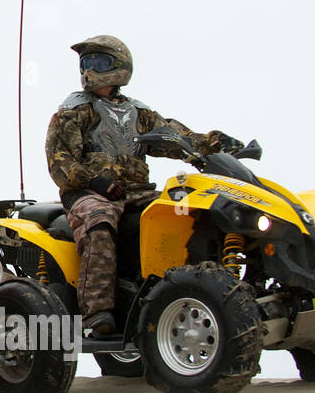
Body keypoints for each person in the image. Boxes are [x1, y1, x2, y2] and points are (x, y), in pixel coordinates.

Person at [44, 35, 241, 336]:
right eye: (86, 63)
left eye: (98, 62)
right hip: (89, 193)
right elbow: (60, 162)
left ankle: (172, 291)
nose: (89, 70)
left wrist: (216, 144)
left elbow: (177, 138)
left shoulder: (139, 113)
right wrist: (94, 181)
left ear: (120, 67)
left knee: (182, 211)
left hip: (137, 191)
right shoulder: (73, 111)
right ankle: (97, 312)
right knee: (100, 221)